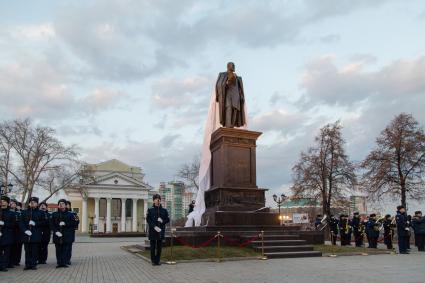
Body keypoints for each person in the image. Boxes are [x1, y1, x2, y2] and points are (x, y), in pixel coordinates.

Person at [215, 62, 246, 128]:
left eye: (234, 65)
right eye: (233, 65)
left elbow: (240, 88)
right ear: (228, 66)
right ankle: (228, 126)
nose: (234, 67)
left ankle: (232, 126)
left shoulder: (238, 78)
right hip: (227, 96)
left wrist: (241, 95)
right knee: (228, 107)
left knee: (235, 110)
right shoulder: (222, 74)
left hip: (236, 96)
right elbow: (218, 84)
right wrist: (226, 83)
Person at [19, 196, 45, 270]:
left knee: (34, 250)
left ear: (37, 204)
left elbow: (44, 222)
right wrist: (25, 230)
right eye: (31, 202)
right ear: (29, 203)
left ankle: (33, 264)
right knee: (27, 250)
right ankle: (27, 264)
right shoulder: (24, 212)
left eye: (34, 202)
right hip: (26, 234)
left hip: (36, 234)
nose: (32, 203)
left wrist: (35, 223)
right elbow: (21, 222)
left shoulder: (41, 212)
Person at [51, 199, 77, 268]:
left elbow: (74, 223)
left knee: (65, 249)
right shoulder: (54, 214)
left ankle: (64, 262)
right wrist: (56, 231)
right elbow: (51, 224)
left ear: (65, 205)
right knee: (58, 249)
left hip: (67, 235)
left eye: (62, 203)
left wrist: (66, 223)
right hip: (57, 235)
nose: (61, 205)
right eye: (59, 203)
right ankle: (59, 263)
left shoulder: (70, 214)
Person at [146, 194, 169, 265]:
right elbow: (148, 220)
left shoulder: (164, 210)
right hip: (153, 231)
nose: (157, 200)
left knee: (159, 247)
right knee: (152, 247)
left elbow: (167, 219)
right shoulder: (150, 210)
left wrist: (162, 221)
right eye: (156, 199)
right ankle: (153, 261)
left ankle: (157, 260)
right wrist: (154, 226)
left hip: (160, 231)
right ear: (153, 201)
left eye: (159, 199)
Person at [0, 196, 16, 272]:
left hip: (7, 235)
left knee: (6, 252)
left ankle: (4, 266)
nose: (2, 202)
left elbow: (13, 225)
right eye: (1, 201)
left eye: (4, 201)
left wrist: (4, 224)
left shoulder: (11, 213)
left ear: (7, 203)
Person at [65, 200, 79, 265]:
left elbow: (77, 221)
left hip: (70, 232)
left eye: (67, 204)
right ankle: (62, 260)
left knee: (68, 247)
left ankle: (67, 259)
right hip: (62, 233)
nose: (66, 206)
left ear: (70, 206)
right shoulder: (58, 213)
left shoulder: (73, 213)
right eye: (65, 204)